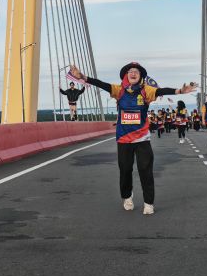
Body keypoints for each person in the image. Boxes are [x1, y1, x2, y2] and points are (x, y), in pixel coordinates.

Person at [69, 62, 197, 215]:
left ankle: (148, 203)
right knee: (125, 170)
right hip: (124, 139)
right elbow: (102, 84)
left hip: (142, 138)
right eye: (130, 71)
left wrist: (180, 91)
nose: (133, 73)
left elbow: (161, 91)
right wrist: (83, 77)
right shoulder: (119, 90)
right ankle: (127, 197)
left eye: (136, 71)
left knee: (145, 170)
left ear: (140, 76)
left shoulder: (146, 90)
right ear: (126, 75)